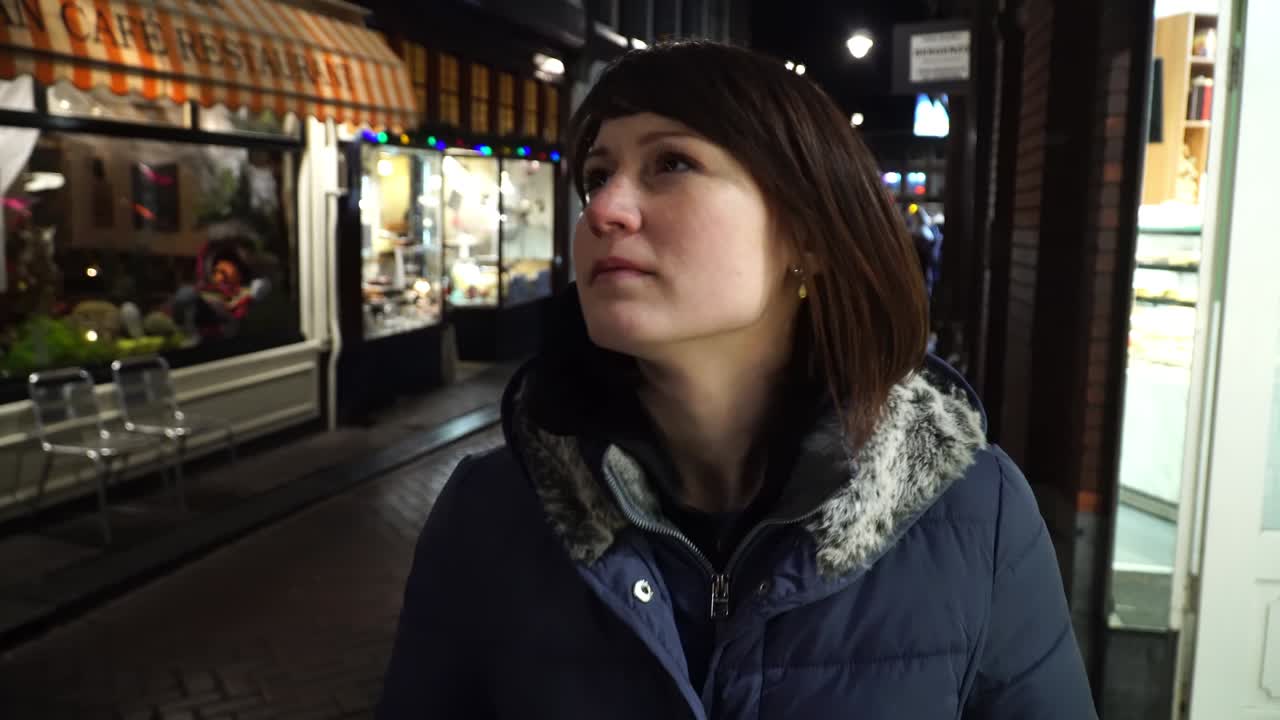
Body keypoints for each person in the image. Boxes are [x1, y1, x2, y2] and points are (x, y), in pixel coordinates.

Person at [377, 41, 1097, 720]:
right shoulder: (490, 513)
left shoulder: (978, 516)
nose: (603, 209)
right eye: (598, 175)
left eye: (671, 164)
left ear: (808, 235)